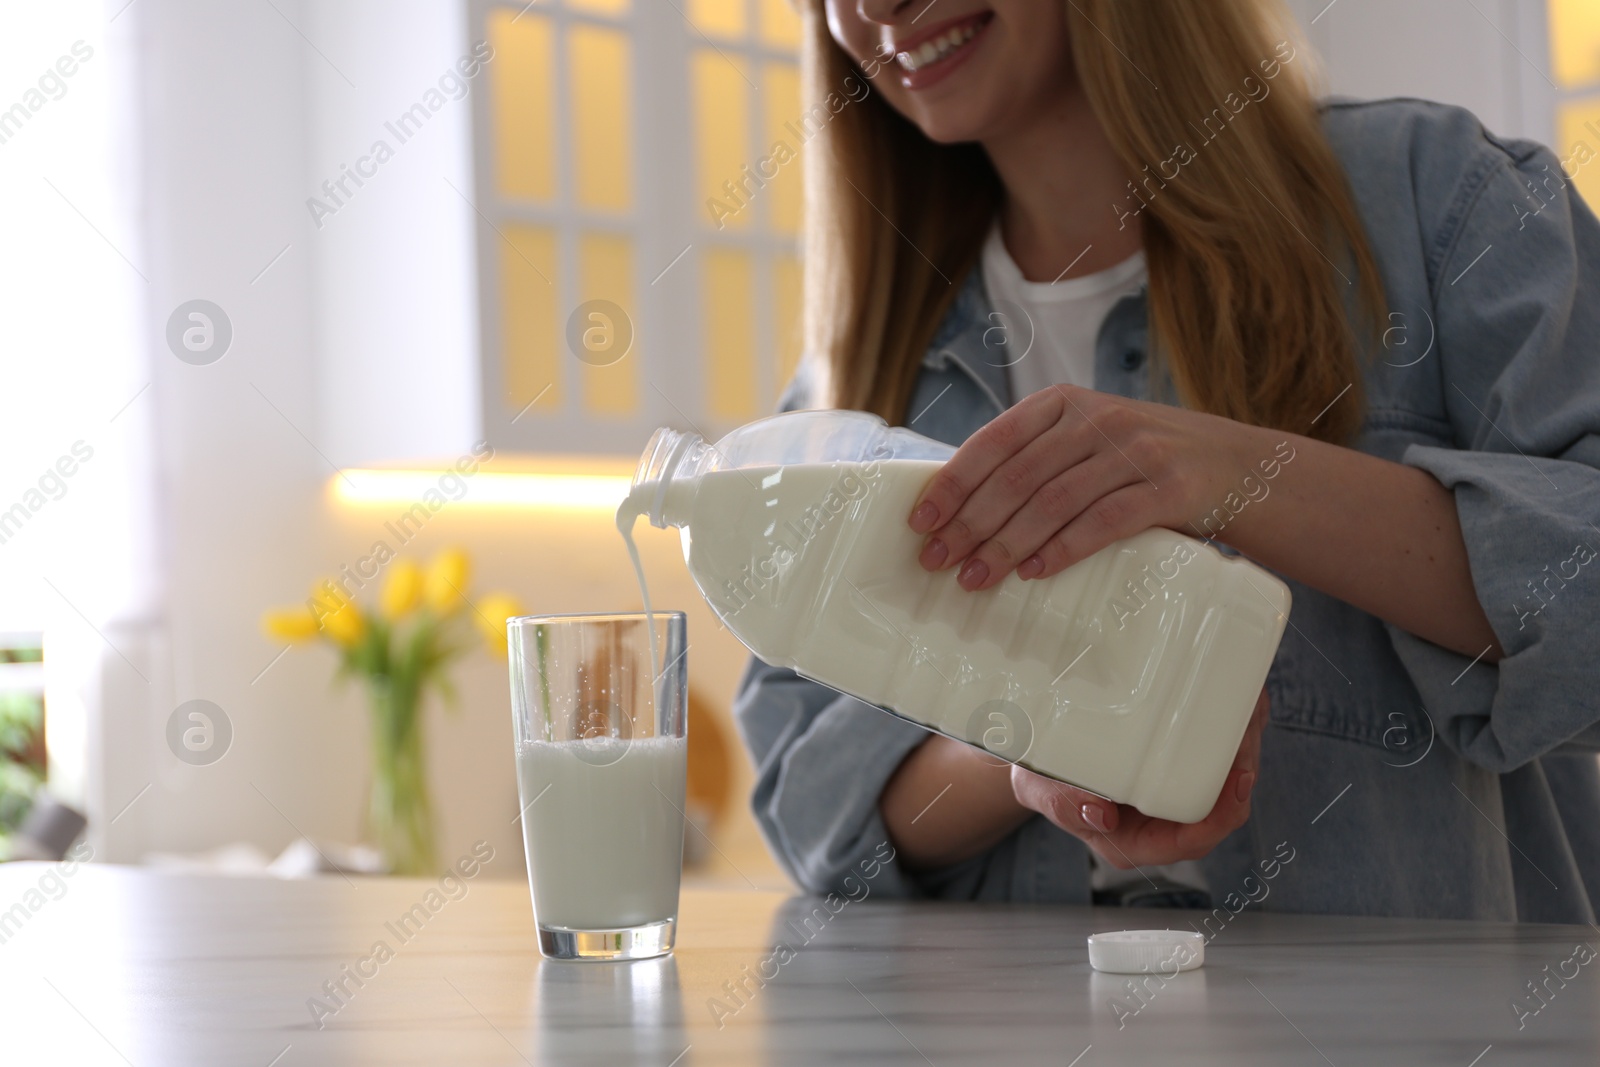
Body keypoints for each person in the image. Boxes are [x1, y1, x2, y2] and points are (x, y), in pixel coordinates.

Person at [732, 0, 1600, 923]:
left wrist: (1234, 476)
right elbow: (806, 800)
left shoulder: (1442, 201)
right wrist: (1040, 735)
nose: (873, 8)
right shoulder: (863, 367)